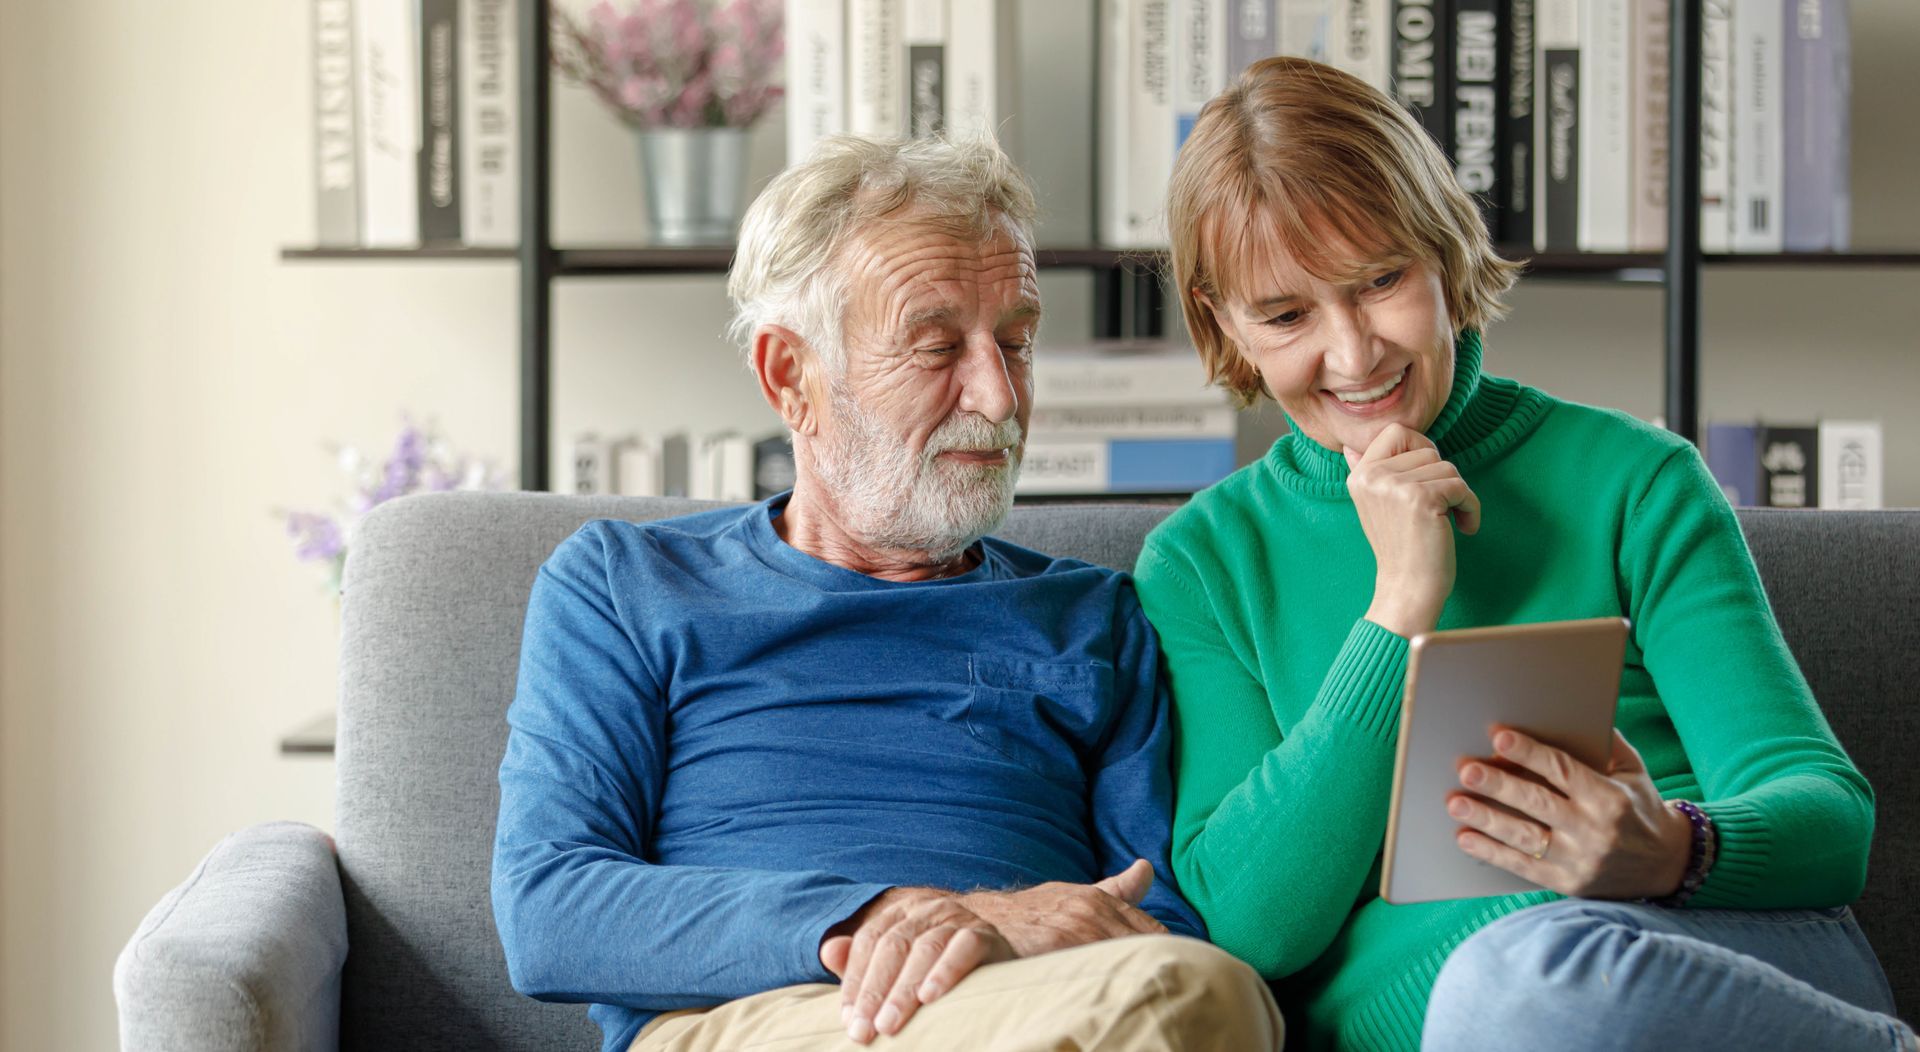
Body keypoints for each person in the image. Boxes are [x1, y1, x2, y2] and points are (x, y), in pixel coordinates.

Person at [1136, 55, 1914, 1052]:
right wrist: (1401, 603)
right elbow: (1253, 922)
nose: (1354, 353)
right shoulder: (1203, 562)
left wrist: (1672, 843)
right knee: (1509, 988)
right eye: (1286, 315)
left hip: (1716, 955)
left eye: (1381, 282)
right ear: (1222, 325)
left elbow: (1829, 821)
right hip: (1478, 1008)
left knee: (1530, 983)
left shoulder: (1634, 478)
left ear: (1447, 255)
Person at [489, 135, 1282, 1052]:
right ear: (793, 377)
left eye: (1016, 342)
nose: (997, 395)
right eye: (938, 345)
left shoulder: (1097, 615)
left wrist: (998, 943)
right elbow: (550, 912)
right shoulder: (626, 585)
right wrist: (897, 918)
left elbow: (1156, 918)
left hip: (1045, 1011)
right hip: (763, 1017)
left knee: (1196, 993)